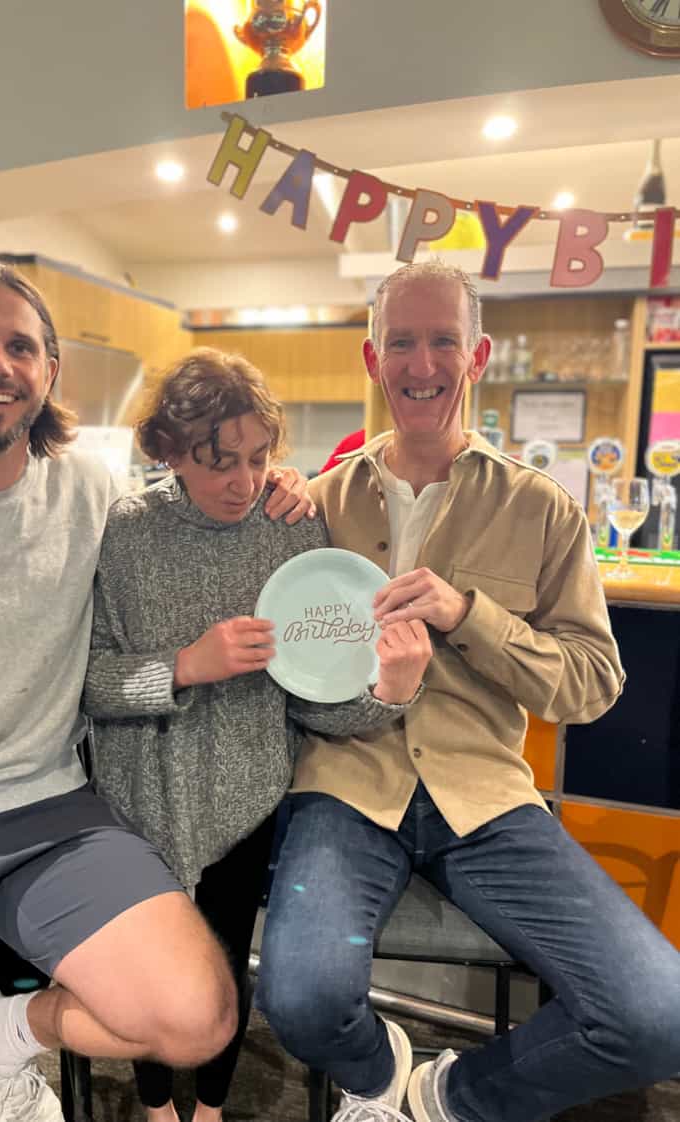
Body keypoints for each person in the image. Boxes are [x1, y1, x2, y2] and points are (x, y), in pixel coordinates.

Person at [0, 257, 313, 1122]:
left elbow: (185, 505)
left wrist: (278, 479)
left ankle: (3, 1030)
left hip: (50, 811)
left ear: (49, 371)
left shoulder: (91, 492)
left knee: (201, 1019)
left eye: (20, 346)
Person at [256, 260, 680, 1122]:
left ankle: (441, 1098)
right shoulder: (317, 507)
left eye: (443, 341)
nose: (422, 364)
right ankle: (378, 1073)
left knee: (658, 1017)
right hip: (344, 785)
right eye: (401, 343)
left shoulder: (542, 508)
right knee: (299, 1001)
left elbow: (591, 684)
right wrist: (262, 486)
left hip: (485, 796)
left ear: (477, 355)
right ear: (372, 360)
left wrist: (468, 615)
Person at [83, 347, 431, 1122]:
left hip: (250, 796)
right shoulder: (124, 534)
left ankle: (210, 1107)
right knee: (145, 963)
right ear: (168, 451)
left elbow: (319, 701)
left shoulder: (289, 530)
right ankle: (154, 1105)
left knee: (223, 960)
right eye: (219, 464)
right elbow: (89, 685)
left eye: (258, 457)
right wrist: (184, 666)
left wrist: (387, 692)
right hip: (139, 795)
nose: (243, 482)